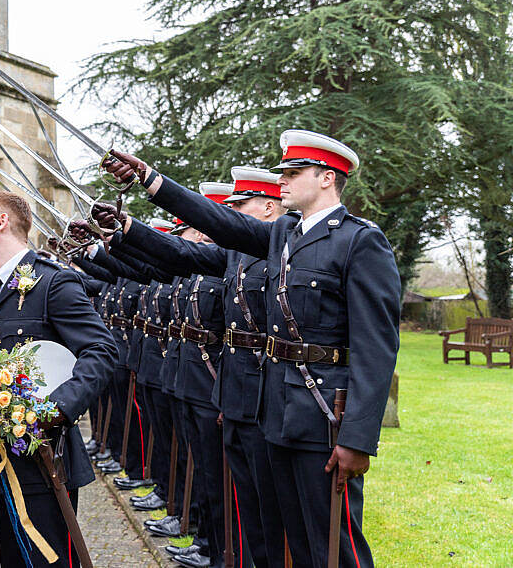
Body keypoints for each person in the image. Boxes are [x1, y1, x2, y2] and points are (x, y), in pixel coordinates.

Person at [103, 130, 401, 568]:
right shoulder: (284, 233)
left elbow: (376, 348)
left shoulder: (359, 240)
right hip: (276, 410)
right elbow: (217, 223)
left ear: (326, 178)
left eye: (294, 172)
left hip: (322, 414)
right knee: (291, 538)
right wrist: (151, 180)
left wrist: (358, 437)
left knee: (333, 544)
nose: (284, 181)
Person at [0, 190, 117, 568]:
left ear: (2, 221)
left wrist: (57, 409)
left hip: (43, 458)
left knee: (47, 560)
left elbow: (101, 351)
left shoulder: (54, 284)